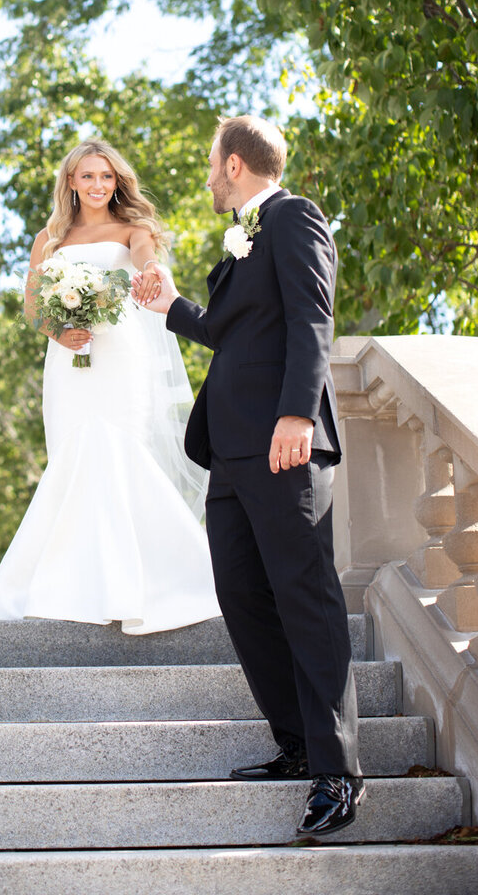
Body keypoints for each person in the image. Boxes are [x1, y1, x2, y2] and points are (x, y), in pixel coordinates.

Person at [133, 115, 362, 836]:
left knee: (306, 596)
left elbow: (311, 320)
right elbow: (231, 331)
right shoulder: (242, 243)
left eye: (210, 164)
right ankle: (295, 743)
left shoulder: (295, 217)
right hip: (231, 452)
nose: (205, 177)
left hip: (282, 444)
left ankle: (337, 771)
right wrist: (170, 306)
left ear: (235, 164)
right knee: (239, 592)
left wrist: (297, 415)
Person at [0, 139, 220, 634]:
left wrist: (152, 272)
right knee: (73, 458)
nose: (98, 185)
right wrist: (60, 332)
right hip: (67, 361)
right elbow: (32, 307)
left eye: (107, 177)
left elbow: (147, 260)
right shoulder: (48, 238)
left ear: (118, 182)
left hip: (120, 356)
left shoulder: (134, 229)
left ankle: (149, 585)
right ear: (71, 181)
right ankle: (72, 587)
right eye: (88, 176)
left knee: (120, 452)